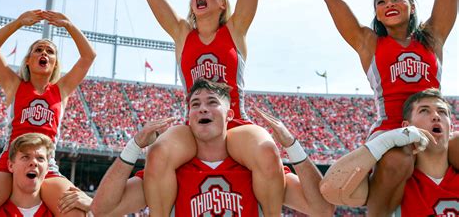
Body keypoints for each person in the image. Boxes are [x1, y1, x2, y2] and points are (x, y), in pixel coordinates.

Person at [321, 0, 458, 214]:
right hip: (391, 127)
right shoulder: (368, 42)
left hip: (433, 122)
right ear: (377, 14)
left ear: (411, 6)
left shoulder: (432, 37)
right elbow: (333, 0)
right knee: (398, 160)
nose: (389, 4)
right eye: (381, 2)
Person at [144, 0, 285, 216]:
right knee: (157, 153)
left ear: (223, 3)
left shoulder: (235, 29)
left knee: (267, 151)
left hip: (235, 124)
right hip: (193, 126)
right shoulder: (183, 34)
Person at [91, 78, 334, 216]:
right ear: (189, 117)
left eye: (211, 103)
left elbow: (323, 209)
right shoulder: (169, 172)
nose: (203, 108)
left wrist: (292, 146)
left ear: (229, 116)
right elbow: (101, 211)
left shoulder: (257, 167)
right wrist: (134, 147)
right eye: (195, 104)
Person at [0, 10, 96, 216]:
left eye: (50, 51)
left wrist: (69, 25)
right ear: (27, 60)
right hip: (9, 162)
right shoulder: (14, 85)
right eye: (38, 50)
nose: (44, 53)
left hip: (47, 165)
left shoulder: (61, 90)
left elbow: (89, 56)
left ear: (54, 63)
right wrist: (18, 23)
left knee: (75, 211)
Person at [321, 89, 458, 216]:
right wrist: (385, 141)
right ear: (406, 127)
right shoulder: (392, 180)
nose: (435, 116)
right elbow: (331, 188)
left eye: (442, 112)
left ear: (450, 127)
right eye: (424, 111)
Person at [0, 133, 92, 217]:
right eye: (25, 157)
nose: (34, 162)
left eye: (40, 158)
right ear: (11, 166)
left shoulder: (63, 212)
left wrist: (93, 208)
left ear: (48, 168)